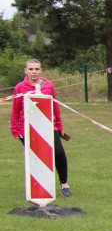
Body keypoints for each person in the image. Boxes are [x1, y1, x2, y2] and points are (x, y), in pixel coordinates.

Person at [10, 59, 71, 198]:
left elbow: (55, 106)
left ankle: (64, 183)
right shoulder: (20, 87)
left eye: (37, 69)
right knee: (35, 158)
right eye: (31, 69)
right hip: (28, 127)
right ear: (25, 71)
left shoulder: (48, 85)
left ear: (41, 70)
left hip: (49, 125)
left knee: (59, 154)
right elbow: (15, 109)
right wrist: (15, 129)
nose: (34, 72)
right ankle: (38, 188)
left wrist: (59, 125)